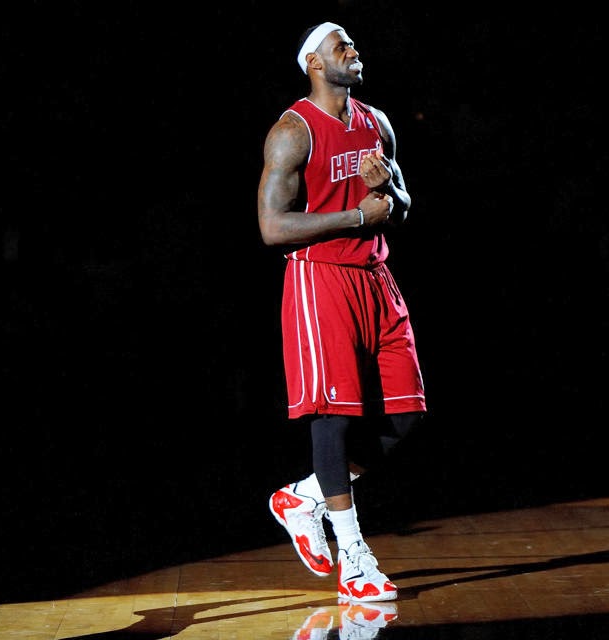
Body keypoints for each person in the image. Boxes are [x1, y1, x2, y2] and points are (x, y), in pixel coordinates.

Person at [257, 21, 427, 603]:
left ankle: (304, 497)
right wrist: (357, 216)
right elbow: (272, 227)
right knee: (333, 417)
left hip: (376, 277)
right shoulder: (293, 131)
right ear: (314, 63)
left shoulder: (376, 122)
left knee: (405, 415)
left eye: (353, 44)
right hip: (321, 279)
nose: (353, 52)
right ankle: (354, 559)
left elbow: (403, 206)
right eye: (340, 46)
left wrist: (389, 193)